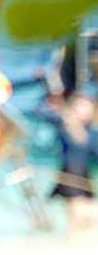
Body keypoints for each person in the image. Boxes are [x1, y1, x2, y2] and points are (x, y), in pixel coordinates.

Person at [47, 90, 98, 229]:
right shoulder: (65, 128)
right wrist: (51, 94)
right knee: (77, 221)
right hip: (68, 180)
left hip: (86, 181)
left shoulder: (92, 133)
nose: (85, 111)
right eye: (81, 106)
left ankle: (74, 248)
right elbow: (40, 112)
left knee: (92, 219)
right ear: (73, 108)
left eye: (88, 107)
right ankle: (72, 245)